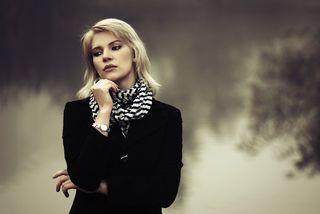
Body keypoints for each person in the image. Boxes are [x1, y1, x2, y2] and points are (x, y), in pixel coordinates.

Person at [52, 18, 183, 214]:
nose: (105, 56)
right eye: (97, 53)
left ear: (135, 53)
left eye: (115, 47)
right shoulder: (76, 112)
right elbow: (85, 178)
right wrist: (104, 111)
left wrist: (102, 187)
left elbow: (165, 193)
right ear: (93, 64)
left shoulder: (167, 117)